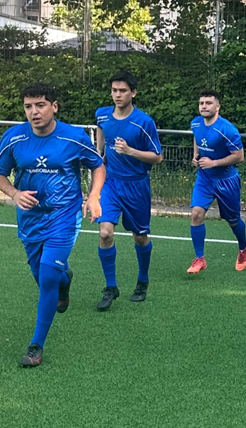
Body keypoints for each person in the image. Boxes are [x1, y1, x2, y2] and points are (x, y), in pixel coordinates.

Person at [0, 82, 105, 367]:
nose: (34, 112)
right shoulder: (14, 137)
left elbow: (97, 165)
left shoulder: (73, 137)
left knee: (48, 277)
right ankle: (65, 281)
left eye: (40, 105)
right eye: (28, 106)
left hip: (64, 216)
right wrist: (15, 194)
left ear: (54, 106)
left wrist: (93, 197)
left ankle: (36, 346)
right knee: (46, 278)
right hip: (30, 220)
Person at [94, 71, 163, 311]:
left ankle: (143, 280)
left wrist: (130, 151)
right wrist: (98, 153)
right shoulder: (102, 114)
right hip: (111, 183)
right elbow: (100, 129)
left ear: (133, 93)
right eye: (114, 90)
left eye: (122, 90)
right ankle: (110, 287)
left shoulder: (144, 122)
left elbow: (158, 157)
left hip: (136, 185)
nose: (117, 95)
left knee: (140, 237)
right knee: (105, 234)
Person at [187, 89, 246, 274]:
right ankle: (199, 259)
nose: (204, 106)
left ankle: (243, 247)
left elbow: (239, 156)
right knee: (196, 214)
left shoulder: (227, 129)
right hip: (205, 177)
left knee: (232, 220)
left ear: (217, 106)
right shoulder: (196, 123)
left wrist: (214, 162)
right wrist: (196, 155)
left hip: (226, 180)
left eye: (208, 103)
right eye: (201, 103)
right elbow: (197, 139)